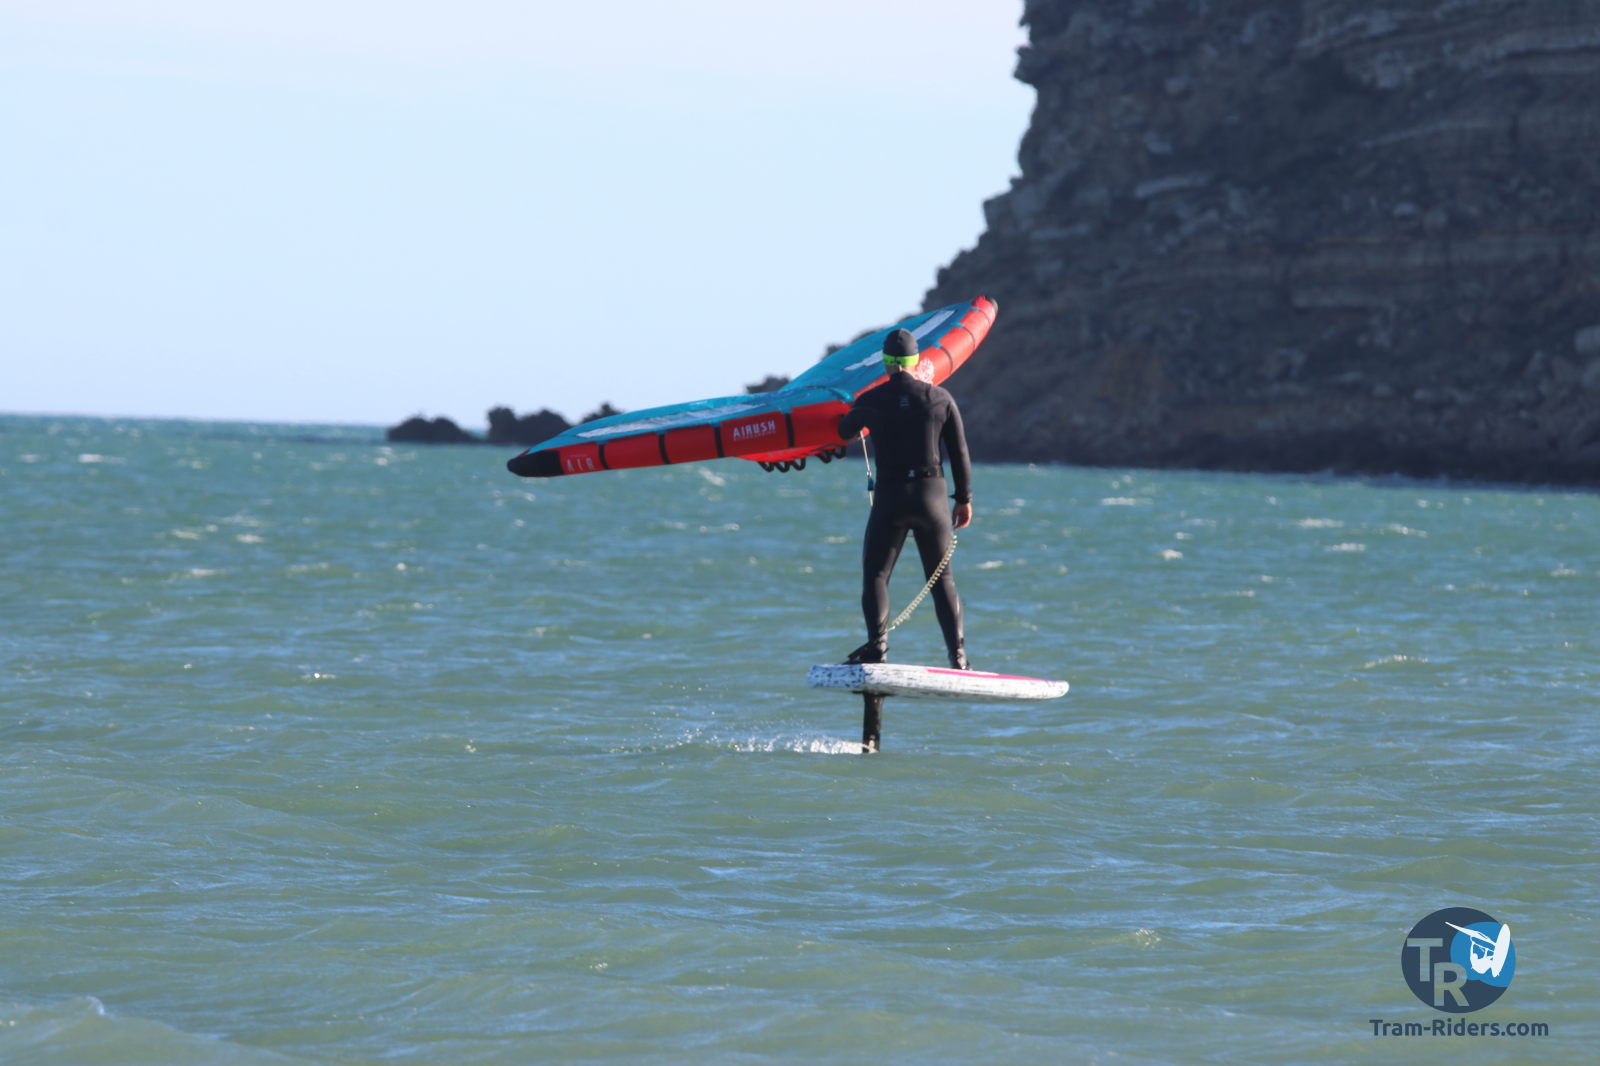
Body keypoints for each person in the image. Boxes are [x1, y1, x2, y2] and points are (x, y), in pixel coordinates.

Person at [837, 327, 973, 669]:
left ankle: (877, 650)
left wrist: (853, 412)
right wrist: (964, 499)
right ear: (916, 360)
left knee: (877, 576)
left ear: (885, 362)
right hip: (932, 499)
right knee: (942, 579)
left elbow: (844, 431)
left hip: (892, 497)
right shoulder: (940, 398)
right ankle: (958, 658)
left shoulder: (871, 400)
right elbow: (959, 453)